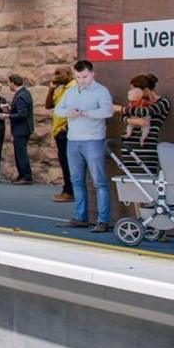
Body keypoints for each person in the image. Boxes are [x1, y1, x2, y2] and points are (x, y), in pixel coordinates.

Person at [56, 59, 114, 234]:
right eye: (78, 77)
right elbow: (58, 110)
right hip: (73, 141)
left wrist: (85, 113)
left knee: (99, 182)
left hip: (93, 141)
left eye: (85, 76)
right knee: (77, 181)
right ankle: (80, 217)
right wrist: (69, 113)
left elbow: (107, 111)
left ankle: (103, 220)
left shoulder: (101, 91)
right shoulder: (71, 91)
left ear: (92, 74)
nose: (82, 80)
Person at [45, 68, 74, 203]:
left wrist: (66, 128)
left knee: (68, 163)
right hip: (59, 132)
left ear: (68, 74)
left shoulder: (73, 87)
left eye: (58, 73)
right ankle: (68, 189)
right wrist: (51, 89)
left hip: (66, 132)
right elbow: (48, 105)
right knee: (64, 162)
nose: (55, 76)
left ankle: (69, 191)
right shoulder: (62, 90)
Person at [7, 74, 35, 185]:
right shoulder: (23, 93)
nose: (8, 85)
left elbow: (22, 114)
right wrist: (10, 108)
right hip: (22, 129)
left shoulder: (21, 95)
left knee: (21, 153)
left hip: (21, 129)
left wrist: (7, 115)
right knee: (19, 153)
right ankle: (22, 174)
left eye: (9, 83)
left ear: (13, 83)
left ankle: (26, 177)